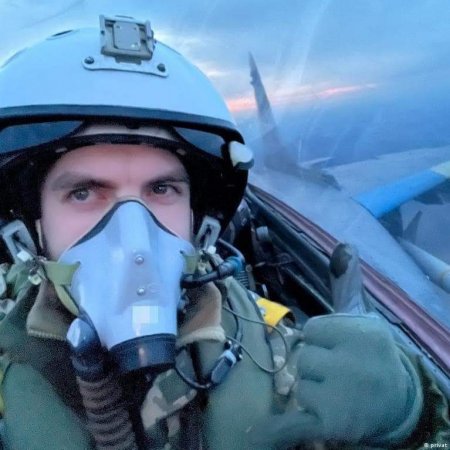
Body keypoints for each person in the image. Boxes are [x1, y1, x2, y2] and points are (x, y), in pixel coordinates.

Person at [0, 15, 448, 450]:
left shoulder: (273, 352)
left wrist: (411, 415)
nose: (134, 241)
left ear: (201, 224)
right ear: (27, 232)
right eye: (83, 193)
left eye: (162, 189)